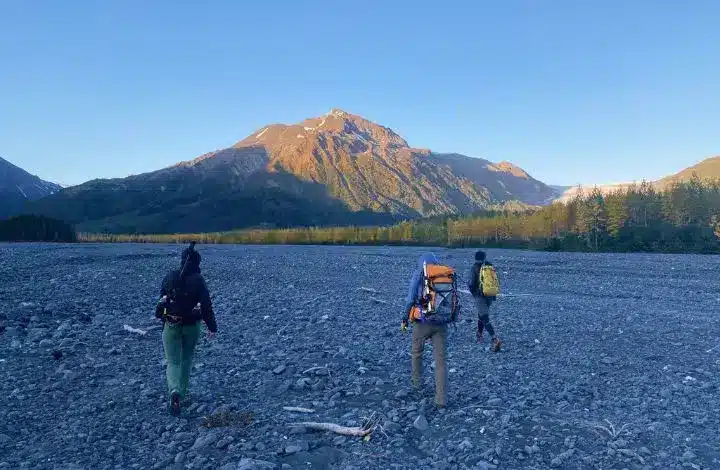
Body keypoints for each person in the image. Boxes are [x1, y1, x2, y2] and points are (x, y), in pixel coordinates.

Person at [156, 242, 217, 416]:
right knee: (186, 359)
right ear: (197, 263)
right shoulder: (199, 280)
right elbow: (206, 305)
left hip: (171, 324)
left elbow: (162, 301)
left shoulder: (170, 276)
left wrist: (162, 318)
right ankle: (182, 392)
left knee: (172, 361)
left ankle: (174, 391)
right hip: (191, 325)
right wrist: (212, 326)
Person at [401, 252, 455, 409]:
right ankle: (441, 400)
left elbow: (410, 299)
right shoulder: (444, 274)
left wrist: (405, 318)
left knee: (417, 353)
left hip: (422, 321)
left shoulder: (419, 274)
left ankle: (417, 384)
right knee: (440, 361)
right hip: (441, 322)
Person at [467, 250, 502, 352]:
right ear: (484, 257)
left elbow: (471, 283)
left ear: (475, 257)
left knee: (484, 317)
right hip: (490, 295)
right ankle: (479, 334)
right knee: (481, 314)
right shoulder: (490, 266)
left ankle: (494, 338)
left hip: (480, 296)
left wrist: (473, 293)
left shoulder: (474, 268)